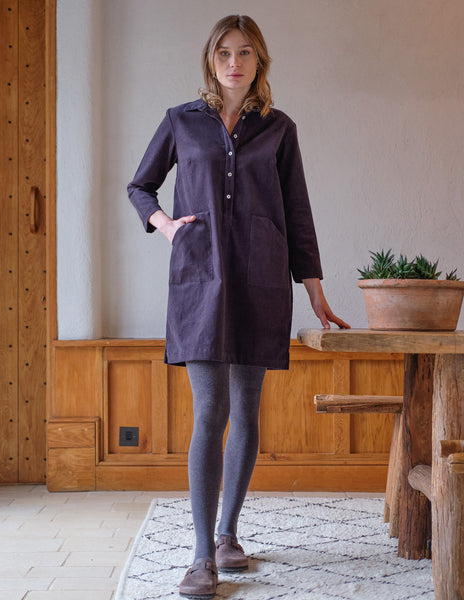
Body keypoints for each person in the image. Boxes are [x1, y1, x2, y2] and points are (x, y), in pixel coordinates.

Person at [128, 14, 350, 599]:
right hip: (199, 282)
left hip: (261, 280)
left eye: (245, 52)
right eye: (224, 52)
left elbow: (298, 212)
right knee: (211, 411)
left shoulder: (279, 129)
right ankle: (202, 555)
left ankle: (229, 534)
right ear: (211, 59)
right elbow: (140, 186)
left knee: (247, 411)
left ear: (259, 62)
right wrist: (166, 225)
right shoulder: (181, 121)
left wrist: (315, 290)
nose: (234, 62)